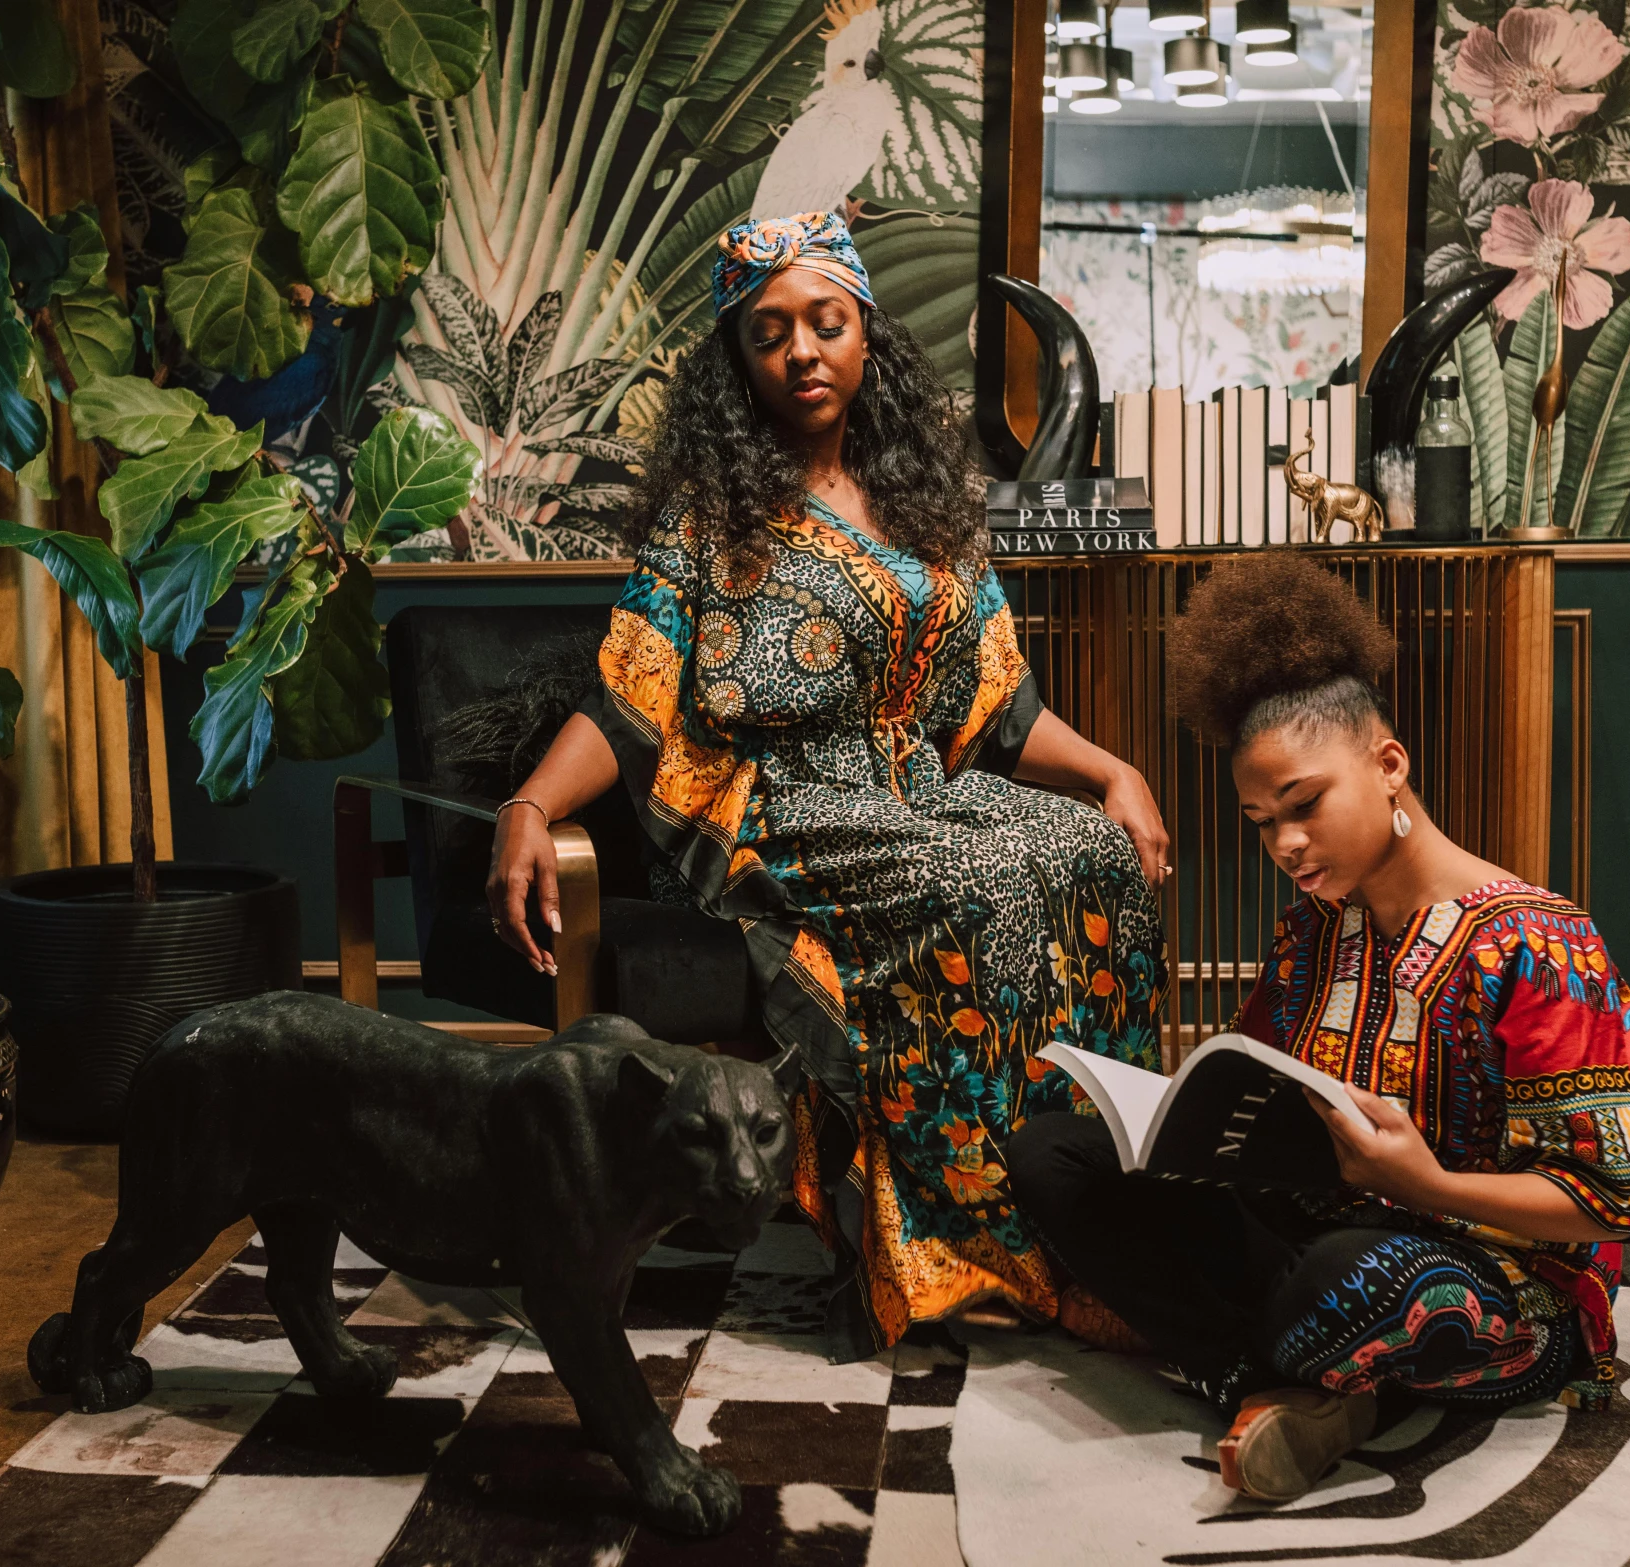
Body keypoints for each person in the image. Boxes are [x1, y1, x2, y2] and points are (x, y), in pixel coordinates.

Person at [485, 212, 1171, 1357]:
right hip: (789, 810)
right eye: (768, 333)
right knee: (988, 884)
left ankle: (1096, 1225)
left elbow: (998, 710)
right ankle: (961, 1250)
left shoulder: (930, 514)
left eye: (825, 323)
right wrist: (530, 805)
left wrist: (1117, 772)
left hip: (921, 789)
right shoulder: (712, 527)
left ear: (867, 341)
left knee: (1096, 855)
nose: (801, 350)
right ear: (738, 364)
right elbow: (629, 698)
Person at [1007, 551, 1630, 1503]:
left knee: (1345, 1279)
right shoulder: (1315, 931)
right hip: (1320, 1220)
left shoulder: (1541, 944)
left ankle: (1249, 1363)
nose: (1284, 845)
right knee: (1051, 1154)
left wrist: (1424, 1179)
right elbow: (1253, 1103)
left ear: (1388, 764)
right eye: (1262, 821)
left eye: (1304, 805)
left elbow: (1613, 1204)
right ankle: (1290, 1379)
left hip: (1498, 1283)